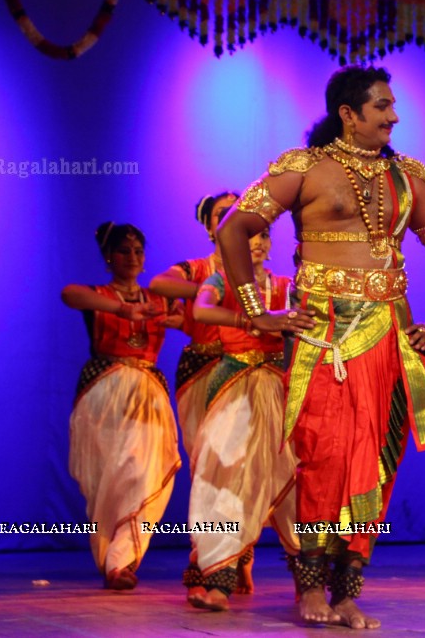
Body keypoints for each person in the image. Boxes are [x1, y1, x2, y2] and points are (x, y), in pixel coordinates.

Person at [217, 65, 425, 628]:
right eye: (381, 106)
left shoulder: (408, 177)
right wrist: (260, 313)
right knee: (324, 460)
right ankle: (309, 587)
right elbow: (234, 229)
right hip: (323, 338)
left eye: (394, 106)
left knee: (375, 467)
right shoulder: (303, 169)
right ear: (348, 114)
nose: (393, 116)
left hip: (391, 339)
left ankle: (348, 588)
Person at [183, 227, 300, 611]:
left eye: (264, 234)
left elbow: (311, 316)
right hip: (232, 386)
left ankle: (309, 579)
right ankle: (218, 575)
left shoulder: (285, 285)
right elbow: (201, 310)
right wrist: (252, 321)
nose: (257, 241)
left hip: (276, 387)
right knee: (223, 476)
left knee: (288, 477)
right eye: (247, 234)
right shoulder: (220, 281)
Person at [61, 222, 183, 590]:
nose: (132, 257)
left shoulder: (159, 298)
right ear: (108, 257)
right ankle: (110, 554)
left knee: (144, 472)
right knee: (108, 478)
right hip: (103, 393)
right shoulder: (96, 295)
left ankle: (121, 561)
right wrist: (121, 309)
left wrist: (175, 318)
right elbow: (69, 294)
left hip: (147, 393)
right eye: (124, 251)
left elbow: (191, 316)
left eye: (138, 251)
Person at [149, 192, 255, 601]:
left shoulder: (259, 273)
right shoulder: (197, 269)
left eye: (236, 214)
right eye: (219, 215)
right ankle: (208, 558)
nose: (227, 220)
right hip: (200, 372)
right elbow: (160, 284)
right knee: (208, 471)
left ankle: (233, 557)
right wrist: (211, 294)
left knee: (240, 468)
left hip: (244, 375)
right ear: (210, 226)